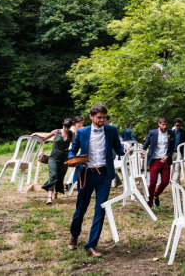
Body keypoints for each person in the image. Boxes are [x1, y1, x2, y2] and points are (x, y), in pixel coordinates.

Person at [68, 105, 130, 257]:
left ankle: (91, 245)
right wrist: (72, 159)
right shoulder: (82, 132)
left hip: (104, 174)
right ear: (91, 117)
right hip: (86, 174)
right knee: (80, 209)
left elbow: (117, 148)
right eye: (99, 117)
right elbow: (72, 149)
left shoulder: (111, 130)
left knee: (100, 209)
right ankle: (74, 235)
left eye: (104, 117)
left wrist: (125, 151)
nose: (102, 120)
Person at [35, 118, 75, 205]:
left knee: (60, 177)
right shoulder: (56, 131)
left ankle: (56, 192)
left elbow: (75, 144)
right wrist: (36, 135)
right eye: (65, 127)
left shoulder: (72, 133)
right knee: (53, 175)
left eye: (68, 127)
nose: (66, 129)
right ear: (62, 124)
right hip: (53, 157)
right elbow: (44, 138)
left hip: (64, 158)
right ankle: (49, 197)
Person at [142, 117, 175, 208]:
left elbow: (172, 147)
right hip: (154, 160)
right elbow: (146, 143)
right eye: (162, 124)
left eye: (166, 125)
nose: (164, 126)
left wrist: (168, 155)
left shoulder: (171, 133)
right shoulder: (152, 133)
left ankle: (156, 195)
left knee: (165, 181)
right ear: (159, 124)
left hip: (165, 160)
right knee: (152, 183)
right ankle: (149, 205)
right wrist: (142, 149)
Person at [171, 118, 185, 185]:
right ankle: (178, 183)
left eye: (180, 125)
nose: (178, 127)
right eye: (177, 125)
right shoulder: (171, 132)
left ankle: (174, 183)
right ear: (174, 124)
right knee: (174, 168)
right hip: (172, 152)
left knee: (177, 168)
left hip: (180, 152)